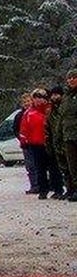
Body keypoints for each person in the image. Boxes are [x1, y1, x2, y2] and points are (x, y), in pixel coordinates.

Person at [18, 89, 53, 199]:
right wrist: (24, 141)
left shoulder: (50, 109)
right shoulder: (28, 113)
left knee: (54, 167)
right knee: (39, 167)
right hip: (35, 143)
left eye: (41, 97)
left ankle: (57, 188)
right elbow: (23, 129)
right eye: (36, 97)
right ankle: (42, 189)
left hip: (51, 142)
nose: (39, 99)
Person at [13, 92, 39, 194]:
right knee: (30, 166)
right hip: (26, 144)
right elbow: (15, 129)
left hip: (37, 142)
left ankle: (42, 184)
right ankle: (34, 185)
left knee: (39, 165)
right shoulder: (19, 115)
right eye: (24, 102)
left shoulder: (36, 112)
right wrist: (21, 138)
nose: (26, 103)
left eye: (28, 101)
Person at [45, 86, 68, 199]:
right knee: (63, 168)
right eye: (53, 95)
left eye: (57, 94)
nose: (54, 97)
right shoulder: (50, 111)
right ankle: (68, 190)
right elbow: (48, 128)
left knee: (70, 167)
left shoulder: (65, 108)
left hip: (67, 140)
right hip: (55, 141)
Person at [61, 69, 77, 202]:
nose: (71, 80)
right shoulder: (66, 96)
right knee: (72, 165)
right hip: (68, 135)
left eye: (74, 77)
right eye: (69, 78)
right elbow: (62, 116)